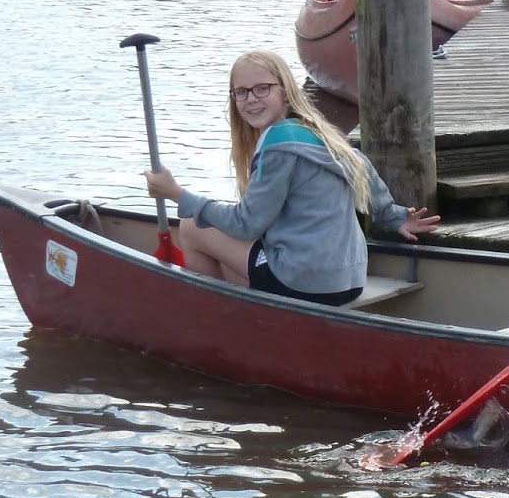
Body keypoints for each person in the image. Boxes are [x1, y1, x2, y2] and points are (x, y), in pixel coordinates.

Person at [143, 49, 439, 307]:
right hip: (350, 280)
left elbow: (247, 224)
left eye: (262, 88)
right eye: (241, 92)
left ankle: (214, 319)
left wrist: (177, 194)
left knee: (192, 226)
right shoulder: (320, 134)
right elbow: (362, 168)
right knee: (232, 246)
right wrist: (394, 216)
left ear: (285, 92)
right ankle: (246, 307)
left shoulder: (278, 145)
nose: (251, 99)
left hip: (303, 283)